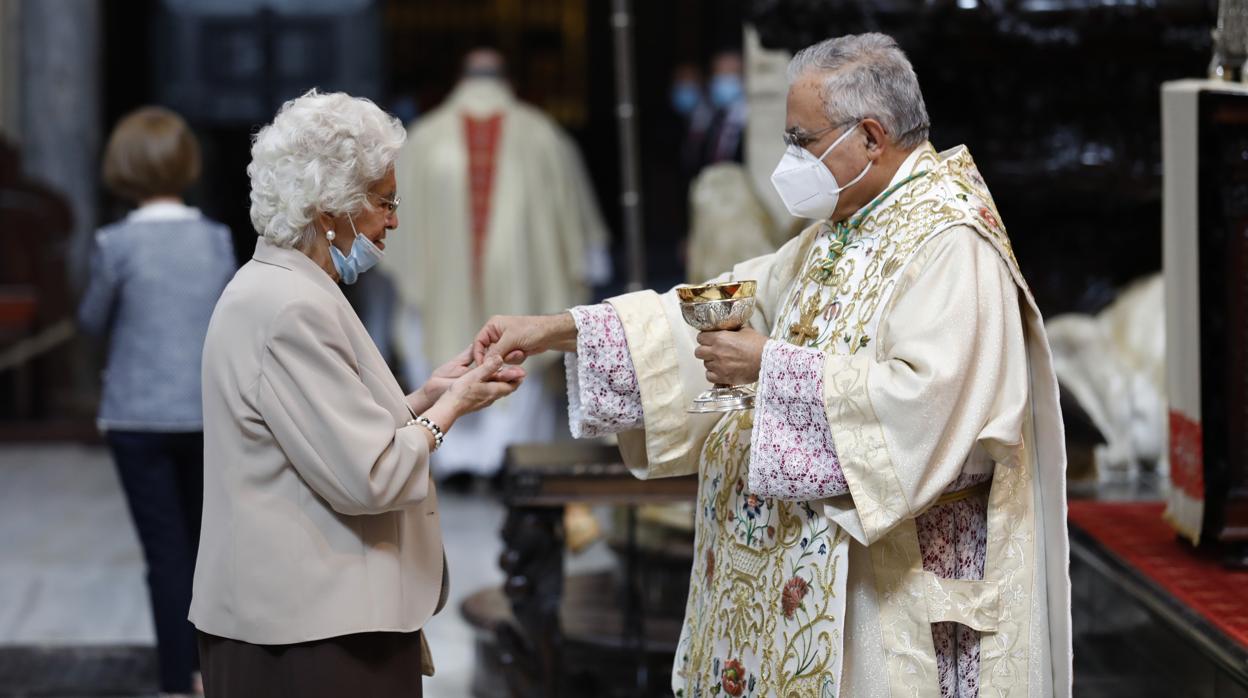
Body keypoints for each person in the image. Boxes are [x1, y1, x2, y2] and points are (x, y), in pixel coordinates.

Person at [474, 33, 1071, 697]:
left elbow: (925, 408)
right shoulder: (851, 224)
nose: (791, 160)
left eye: (802, 139)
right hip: (829, 586)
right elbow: (727, 304)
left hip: (895, 592)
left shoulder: (951, 242)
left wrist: (772, 369)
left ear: (871, 136)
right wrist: (560, 331)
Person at [190, 89, 524, 698]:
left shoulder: (286, 286)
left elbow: (321, 434)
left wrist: (424, 396)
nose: (393, 219)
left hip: (313, 622)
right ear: (329, 208)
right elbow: (370, 477)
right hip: (310, 634)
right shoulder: (290, 306)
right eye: (382, 201)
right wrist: (454, 409)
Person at [384, 48, 609, 484]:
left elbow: (397, 238)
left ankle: (451, 463)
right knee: (518, 355)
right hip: (523, 286)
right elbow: (578, 230)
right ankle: (509, 463)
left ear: (460, 77)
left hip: (442, 292)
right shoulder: (542, 134)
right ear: (507, 78)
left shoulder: (424, 138)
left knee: (440, 348)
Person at [78, 106, 235, 697]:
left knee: (164, 550)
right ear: (186, 163)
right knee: (208, 546)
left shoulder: (114, 243)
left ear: (120, 168)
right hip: (206, 413)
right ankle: (213, 669)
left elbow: (93, 319)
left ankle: (178, 676)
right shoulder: (216, 240)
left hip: (135, 416)